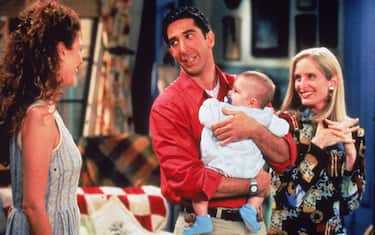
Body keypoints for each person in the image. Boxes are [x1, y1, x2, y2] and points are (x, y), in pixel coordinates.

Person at [149, 6, 297, 235]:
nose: (183, 48)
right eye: (174, 42)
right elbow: (186, 181)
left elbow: (284, 157)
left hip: (254, 226)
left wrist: (254, 130)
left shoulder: (246, 89)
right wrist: (254, 185)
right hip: (205, 225)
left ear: (210, 38)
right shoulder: (167, 106)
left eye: (189, 36)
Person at [0, 1, 83, 234]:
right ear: (61, 50)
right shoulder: (38, 118)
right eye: (79, 49)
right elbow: (33, 206)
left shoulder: (47, 112)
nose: (81, 60)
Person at [269, 47, 366, 235]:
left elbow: (350, 205)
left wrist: (350, 156)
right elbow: (284, 198)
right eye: (298, 77)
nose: (301, 85)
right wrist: (317, 148)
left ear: (332, 82)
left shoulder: (352, 131)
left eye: (310, 76)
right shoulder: (283, 125)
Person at [184, 71, 290, 235]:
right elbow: (283, 129)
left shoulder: (224, 109)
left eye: (235, 91)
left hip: (222, 167)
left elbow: (205, 116)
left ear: (251, 101)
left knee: (200, 191)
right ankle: (251, 207)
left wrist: (211, 103)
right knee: (261, 187)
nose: (229, 92)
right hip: (250, 170)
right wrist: (272, 118)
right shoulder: (265, 116)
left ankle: (203, 219)